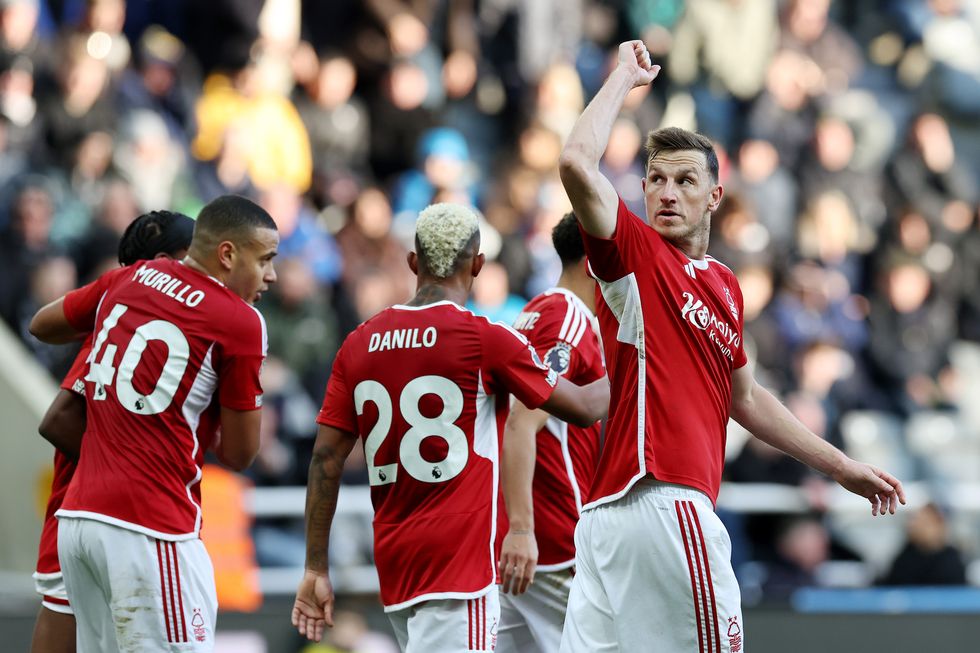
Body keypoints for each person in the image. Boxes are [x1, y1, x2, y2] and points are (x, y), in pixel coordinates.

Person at [555, 40, 907, 652]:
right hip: (657, 502)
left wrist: (841, 467)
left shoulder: (724, 285)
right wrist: (621, 81)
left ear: (714, 196)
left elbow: (745, 398)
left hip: (624, 518)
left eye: (685, 180)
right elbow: (576, 162)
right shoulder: (636, 253)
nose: (667, 193)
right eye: (656, 180)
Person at [291, 202, 609, 651]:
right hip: (460, 569)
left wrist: (314, 567)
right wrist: (643, 354)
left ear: (412, 262)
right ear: (478, 265)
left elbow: (325, 459)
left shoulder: (358, 343)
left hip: (397, 564)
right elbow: (584, 407)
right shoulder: (486, 337)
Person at [29, 195, 279, 652]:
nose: (272, 275)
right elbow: (240, 454)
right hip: (149, 524)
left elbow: (42, 324)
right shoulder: (241, 321)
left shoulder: (129, 278)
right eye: (265, 259)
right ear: (227, 254)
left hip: (79, 519)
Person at [30, 210, 196, 653]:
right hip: (97, 508)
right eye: (194, 255)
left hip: (104, 511)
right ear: (164, 263)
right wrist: (122, 465)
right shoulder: (127, 328)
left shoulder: (148, 325)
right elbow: (57, 420)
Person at [495, 212, 605, 652]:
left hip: (525, 545)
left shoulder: (533, 312)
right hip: (555, 542)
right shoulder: (567, 322)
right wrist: (522, 530)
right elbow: (523, 420)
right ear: (594, 262)